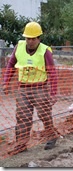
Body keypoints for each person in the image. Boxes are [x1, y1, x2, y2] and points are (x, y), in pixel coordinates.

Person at [3, 21, 59, 155]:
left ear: (39, 38)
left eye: (33, 38)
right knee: (23, 117)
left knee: (44, 115)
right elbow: (11, 65)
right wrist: (6, 82)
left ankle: (51, 136)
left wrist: (53, 93)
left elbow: (52, 73)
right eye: (28, 38)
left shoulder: (45, 51)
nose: (30, 41)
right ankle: (21, 144)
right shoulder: (19, 47)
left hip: (40, 88)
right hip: (23, 88)